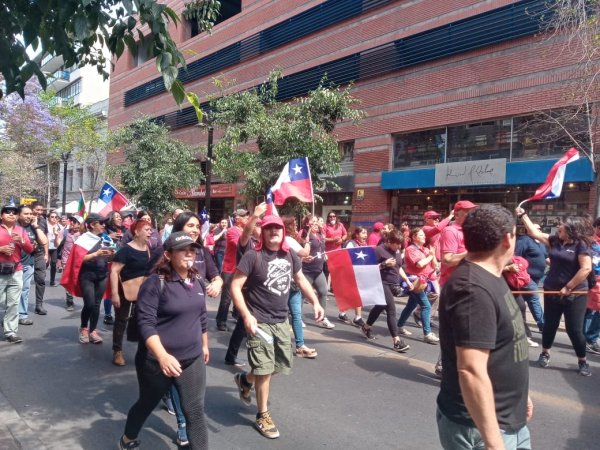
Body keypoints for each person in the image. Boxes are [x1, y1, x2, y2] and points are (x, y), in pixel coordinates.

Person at [437, 205, 532, 450]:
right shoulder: (472, 289)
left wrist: (521, 396)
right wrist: (493, 443)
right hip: (481, 428)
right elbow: (470, 370)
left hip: (509, 419)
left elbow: (504, 347)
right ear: (507, 238)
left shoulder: (491, 276)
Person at [230, 215, 325, 439]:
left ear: (283, 232)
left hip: (281, 320)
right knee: (264, 369)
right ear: (262, 232)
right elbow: (235, 285)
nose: (274, 231)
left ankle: (245, 380)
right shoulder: (253, 256)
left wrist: (316, 302)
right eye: (269, 228)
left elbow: (300, 279)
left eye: (278, 228)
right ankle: (262, 414)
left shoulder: (290, 254)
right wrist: (246, 315)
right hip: (259, 321)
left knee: (275, 366)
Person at [118, 232, 210, 450]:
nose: (189, 253)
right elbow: (146, 324)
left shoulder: (197, 280)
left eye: (192, 249)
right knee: (147, 403)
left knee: (195, 410)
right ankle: (127, 439)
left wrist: (204, 345)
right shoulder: (155, 283)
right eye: (183, 249)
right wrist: (162, 356)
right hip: (156, 361)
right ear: (168, 255)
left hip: (191, 358)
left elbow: (202, 317)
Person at [516, 206, 593, 376]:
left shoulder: (581, 245)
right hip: (552, 291)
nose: (559, 227)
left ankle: (582, 361)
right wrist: (523, 215)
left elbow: (585, 269)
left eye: (562, 226)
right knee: (550, 324)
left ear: (571, 230)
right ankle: (545, 353)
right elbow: (535, 234)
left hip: (575, 294)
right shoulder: (555, 241)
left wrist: (568, 287)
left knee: (574, 330)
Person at [435, 200, 478, 376]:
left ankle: (451, 364)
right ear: (457, 213)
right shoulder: (451, 231)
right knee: (453, 328)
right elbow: (448, 260)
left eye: (472, 211)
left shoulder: (470, 231)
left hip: (468, 283)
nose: (470, 214)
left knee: (463, 328)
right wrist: (474, 251)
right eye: (467, 211)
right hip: (453, 285)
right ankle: (444, 364)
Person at [225, 203, 266, 367]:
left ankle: (231, 356)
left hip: (261, 291)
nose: (260, 228)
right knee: (248, 323)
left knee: (242, 325)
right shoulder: (247, 243)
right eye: (257, 226)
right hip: (248, 291)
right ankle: (258, 360)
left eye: (261, 226)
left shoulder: (263, 246)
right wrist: (255, 216)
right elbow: (245, 234)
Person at [62, 213, 113, 344]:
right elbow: (78, 260)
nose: (103, 225)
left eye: (104, 223)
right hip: (87, 276)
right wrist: (96, 254)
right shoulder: (83, 239)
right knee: (89, 303)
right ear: (92, 225)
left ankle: (93, 330)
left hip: (102, 275)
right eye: (101, 223)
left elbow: (111, 256)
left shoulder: (106, 238)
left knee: (96, 304)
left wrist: (112, 255)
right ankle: (84, 327)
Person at [360, 230, 411, 353]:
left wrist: (407, 280)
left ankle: (366, 327)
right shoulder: (379, 250)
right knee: (391, 310)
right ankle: (397, 342)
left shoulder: (397, 251)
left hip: (392, 283)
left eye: (400, 244)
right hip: (381, 283)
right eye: (397, 244)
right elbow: (368, 269)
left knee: (380, 306)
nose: (399, 247)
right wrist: (384, 264)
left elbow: (398, 268)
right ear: (389, 242)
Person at [110, 220, 153, 366]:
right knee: (121, 321)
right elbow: (114, 271)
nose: (150, 232)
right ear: (136, 232)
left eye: (150, 230)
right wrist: (115, 294)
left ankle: (146, 350)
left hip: (143, 291)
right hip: (125, 291)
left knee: (144, 320)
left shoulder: (148, 248)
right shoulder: (125, 250)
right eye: (147, 229)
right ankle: (117, 351)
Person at [282, 215, 319, 357]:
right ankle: (283, 344)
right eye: (294, 224)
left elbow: (298, 256)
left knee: (296, 315)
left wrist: (303, 258)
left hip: (294, 284)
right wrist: (308, 243)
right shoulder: (288, 239)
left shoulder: (291, 239)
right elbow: (304, 251)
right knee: (285, 316)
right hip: (286, 283)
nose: (296, 226)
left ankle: (300, 345)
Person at [396, 227, 439, 344]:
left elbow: (434, 265)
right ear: (414, 237)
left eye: (424, 235)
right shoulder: (411, 249)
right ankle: (427, 334)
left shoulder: (425, 249)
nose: (424, 237)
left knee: (411, 305)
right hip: (415, 282)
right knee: (426, 306)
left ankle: (399, 326)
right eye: (421, 235)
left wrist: (433, 254)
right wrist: (430, 256)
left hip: (424, 282)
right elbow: (419, 264)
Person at [0, 203, 33, 343]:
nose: (11, 214)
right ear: (1, 215)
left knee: (13, 303)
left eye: (14, 212)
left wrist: (23, 241)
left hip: (16, 270)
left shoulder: (21, 230)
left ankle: (11, 332)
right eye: (7, 212)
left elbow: (30, 249)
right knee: (2, 301)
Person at [217, 209, 250, 331]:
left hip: (242, 269)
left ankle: (237, 314)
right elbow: (241, 245)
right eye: (245, 217)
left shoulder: (246, 232)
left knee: (242, 294)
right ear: (237, 219)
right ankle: (221, 320)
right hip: (230, 269)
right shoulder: (232, 231)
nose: (247, 219)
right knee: (227, 297)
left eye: (248, 217)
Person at [17, 205, 47, 326]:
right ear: (19, 215)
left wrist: (36, 226)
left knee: (24, 290)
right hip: (13, 265)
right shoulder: (13, 226)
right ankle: (10, 316)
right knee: (9, 293)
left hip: (28, 264)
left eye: (30, 214)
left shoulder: (33, 227)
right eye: (26, 214)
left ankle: (22, 315)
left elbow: (44, 241)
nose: (29, 216)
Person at [514, 223, 547, 332]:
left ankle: (519, 325)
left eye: (539, 229)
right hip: (527, 277)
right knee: (534, 299)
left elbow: (545, 257)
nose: (538, 231)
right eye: (535, 229)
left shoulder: (540, 243)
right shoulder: (524, 240)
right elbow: (516, 256)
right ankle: (543, 325)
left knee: (520, 302)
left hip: (538, 277)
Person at [103, 210, 128, 326]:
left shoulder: (125, 230)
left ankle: (121, 313)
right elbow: (100, 244)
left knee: (123, 289)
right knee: (110, 290)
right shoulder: (105, 230)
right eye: (116, 217)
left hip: (124, 263)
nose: (119, 218)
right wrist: (109, 237)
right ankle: (108, 314)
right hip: (110, 263)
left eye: (120, 217)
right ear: (111, 218)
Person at [338, 225, 365, 326]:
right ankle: (357, 317)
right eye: (363, 233)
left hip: (358, 272)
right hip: (349, 272)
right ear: (357, 234)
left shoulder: (362, 244)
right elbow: (347, 258)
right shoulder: (351, 244)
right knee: (357, 294)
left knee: (353, 294)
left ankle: (342, 313)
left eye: (366, 233)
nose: (365, 235)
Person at [61, 216, 84, 311]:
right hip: (66, 261)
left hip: (80, 261)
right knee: (68, 281)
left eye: (76, 222)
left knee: (82, 281)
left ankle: (87, 301)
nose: (74, 224)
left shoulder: (84, 235)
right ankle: (69, 301)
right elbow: (57, 244)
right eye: (73, 222)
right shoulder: (65, 232)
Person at [30, 202, 48, 315]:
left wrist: (46, 253)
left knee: (41, 279)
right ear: (32, 209)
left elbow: (45, 238)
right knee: (21, 282)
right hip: (26, 253)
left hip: (39, 253)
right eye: (37, 209)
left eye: (42, 210)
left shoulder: (43, 220)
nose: (40, 212)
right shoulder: (25, 219)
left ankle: (39, 305)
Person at [323, 211, 347, 286]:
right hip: (328, 252)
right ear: (328, 218)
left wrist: (342, 240)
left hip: (338, 252)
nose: (332, 218)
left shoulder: (340, 225)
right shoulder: (325, 226)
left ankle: (334, 287)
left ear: (336, 217)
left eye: (334, 216)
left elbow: (345, 234)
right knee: (327, 271)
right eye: (330, 216)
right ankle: (325, 289)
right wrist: (333, 240)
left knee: (337, 270)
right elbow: (323, 238)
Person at [46, 211, 63, 287]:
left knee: (53, 263)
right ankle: (40, 278)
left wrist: (56, 235)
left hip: (54, 247)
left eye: (56, 217)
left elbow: (59, 241)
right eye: (52, 217)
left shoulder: (59, 227)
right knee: (45, 263)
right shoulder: (45, 225)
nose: (54, 218)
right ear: (48, 218)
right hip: (45, 247)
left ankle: (52, 281)